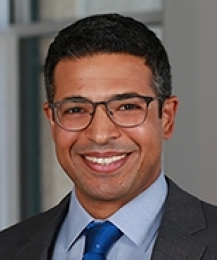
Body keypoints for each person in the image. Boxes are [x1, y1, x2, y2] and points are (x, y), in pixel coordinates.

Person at [0, 13, 217, 260]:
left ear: (166, 117)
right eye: (76, 110)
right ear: (52, 120)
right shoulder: (7, 248)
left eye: (127, 107)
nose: (100, 135)